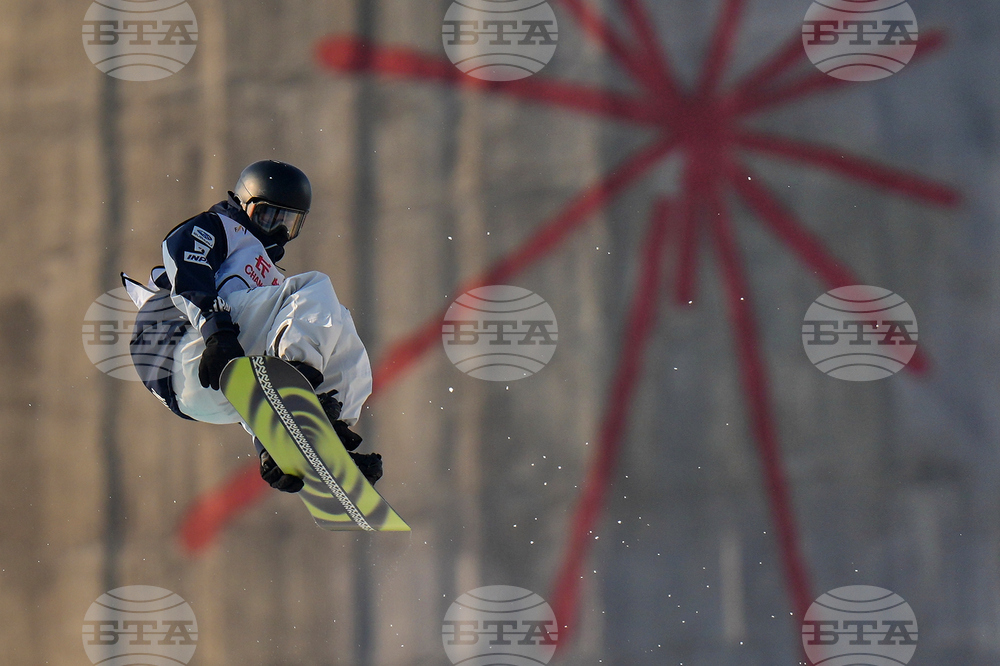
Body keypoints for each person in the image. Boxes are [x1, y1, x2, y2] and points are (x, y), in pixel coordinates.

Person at [121, 160, 382, 492]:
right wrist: (216, 331)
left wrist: (268, 444)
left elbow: (253, 365)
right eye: (268, 216)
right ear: (245, 204)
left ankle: (325, 436)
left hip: (205, 393)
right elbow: (185, 261)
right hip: (173, 338)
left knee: (339, 324)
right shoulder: (224, 228)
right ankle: (295, 388)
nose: (276, 231)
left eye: (287, 223)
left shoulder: (273, 288)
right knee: (315, 291)